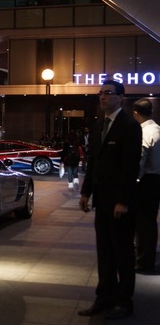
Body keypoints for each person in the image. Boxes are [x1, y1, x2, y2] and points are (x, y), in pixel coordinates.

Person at [78, 80, 142, 319]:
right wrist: (85, 193)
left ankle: (124, 302)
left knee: (123, 252)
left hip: (120, 203)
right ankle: (103, 298)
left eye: (108, 94)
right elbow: (93, 161)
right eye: (100, 94)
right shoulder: (99, 125)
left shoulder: (129, 126)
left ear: (121, 98)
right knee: (104, 252)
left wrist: (123, 200)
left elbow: (130, 166)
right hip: (101, 201)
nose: (103, 97)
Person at [132, 98, 160, 274]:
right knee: (149, 222)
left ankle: (143, 261)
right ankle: (146, 258)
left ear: (136, 113)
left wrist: (134, 180)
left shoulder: (144, 132)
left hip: (146, 181)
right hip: (156, 180)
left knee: (143, 223)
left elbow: (140, 158)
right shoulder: (157, 129)